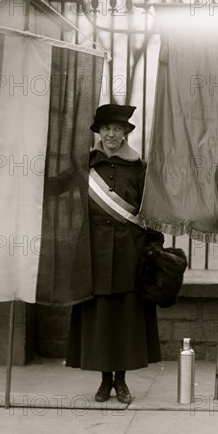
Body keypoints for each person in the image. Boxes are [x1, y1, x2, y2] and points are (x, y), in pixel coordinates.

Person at [66, 104, 164, 404]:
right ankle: (103, 380)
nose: (111, 134)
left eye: (117, 129)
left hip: (128, 250)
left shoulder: (139, 168)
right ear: (99, 132)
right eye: (107, 128)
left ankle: (121, 381)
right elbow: (63, 196)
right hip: (93, 249)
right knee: (99, 316)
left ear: (125, 134)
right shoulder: (85, 165)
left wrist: (153, 246)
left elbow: (150, 211)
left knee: (124, 317)